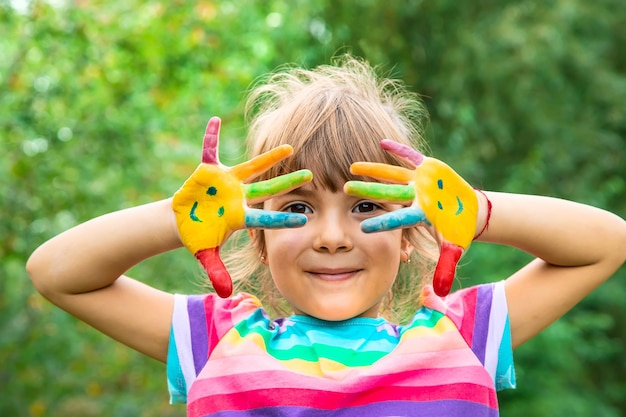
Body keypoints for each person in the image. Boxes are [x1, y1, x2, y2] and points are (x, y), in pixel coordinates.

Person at [26, 55, 626, 417]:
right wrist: (177, 220)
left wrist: (480, 211)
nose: (333, 236)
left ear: (414, 232)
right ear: (254, 235)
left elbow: (606, 243)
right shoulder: (220, 341)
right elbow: (57, 273)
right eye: (297, 208)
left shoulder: (462, 335)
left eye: (366, 206)